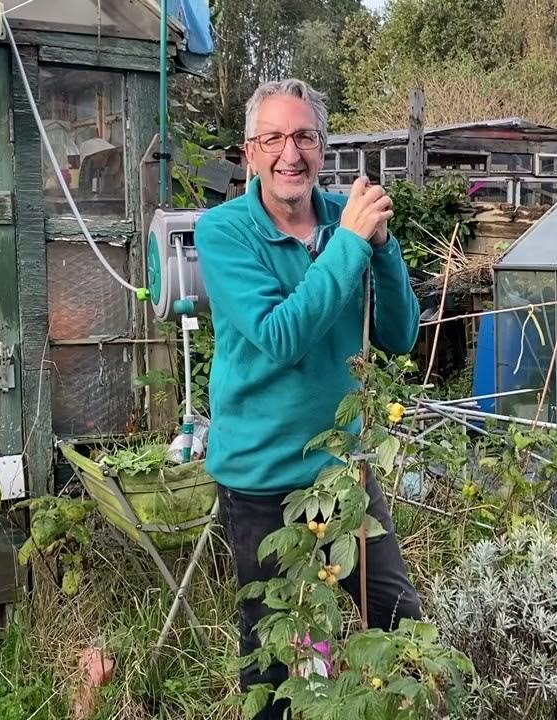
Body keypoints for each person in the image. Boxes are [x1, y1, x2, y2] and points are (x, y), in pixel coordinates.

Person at [194, 79, 424, 719]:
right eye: (273, 138)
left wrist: (381, 249)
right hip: (264, 480)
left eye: (303, 137)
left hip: (345, 474)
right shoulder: (225, 232)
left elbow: (400, 335)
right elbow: (280, 338)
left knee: (400, 622)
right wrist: (349, 244)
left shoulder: (340, 220)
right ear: (249, 152)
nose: (288, 154)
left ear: (323, 148)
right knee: (279, 653)